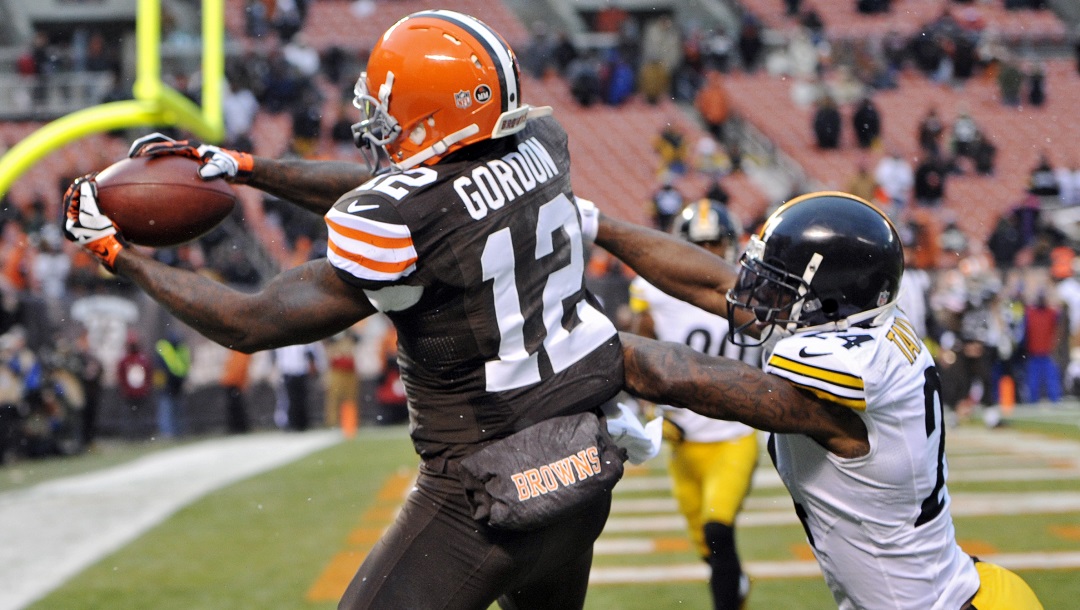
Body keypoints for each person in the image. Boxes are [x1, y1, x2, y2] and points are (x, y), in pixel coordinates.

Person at [63, 10, 623, 610]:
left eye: (391, 114)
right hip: (575, 468)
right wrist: (248, 168)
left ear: (439, 115)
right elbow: (413, 193)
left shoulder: (408, 220)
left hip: (480, 489)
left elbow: (248, 323)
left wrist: (118, 254)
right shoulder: (538, 151)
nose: (376, 127)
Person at [583, 191, 1044, 609]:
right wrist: (591, 221)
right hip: (967, 589)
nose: (762, 293)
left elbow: (685, 380)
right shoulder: (862, 324)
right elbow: (714, 285)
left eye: (780, 284)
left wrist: (574, 340)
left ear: (829, 300)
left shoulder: (857, 374)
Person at [628, 200, 758, 610]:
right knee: (709, 548)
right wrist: (652, 411)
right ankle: (735, 584)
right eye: (699, 244)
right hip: (684, 444)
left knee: (718, 531)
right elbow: (641, 356)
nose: (708, 253)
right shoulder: (654, 291)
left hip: (734, 436)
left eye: (715, 244)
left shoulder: (751, 290)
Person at [153, 330, 190, 439]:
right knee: (168, 410)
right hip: (168, 385)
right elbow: (163, 368)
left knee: (173, 410)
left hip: (176, 384)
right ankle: (168, 433)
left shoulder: (179, 349)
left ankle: (175, 432)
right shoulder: (164, 349)